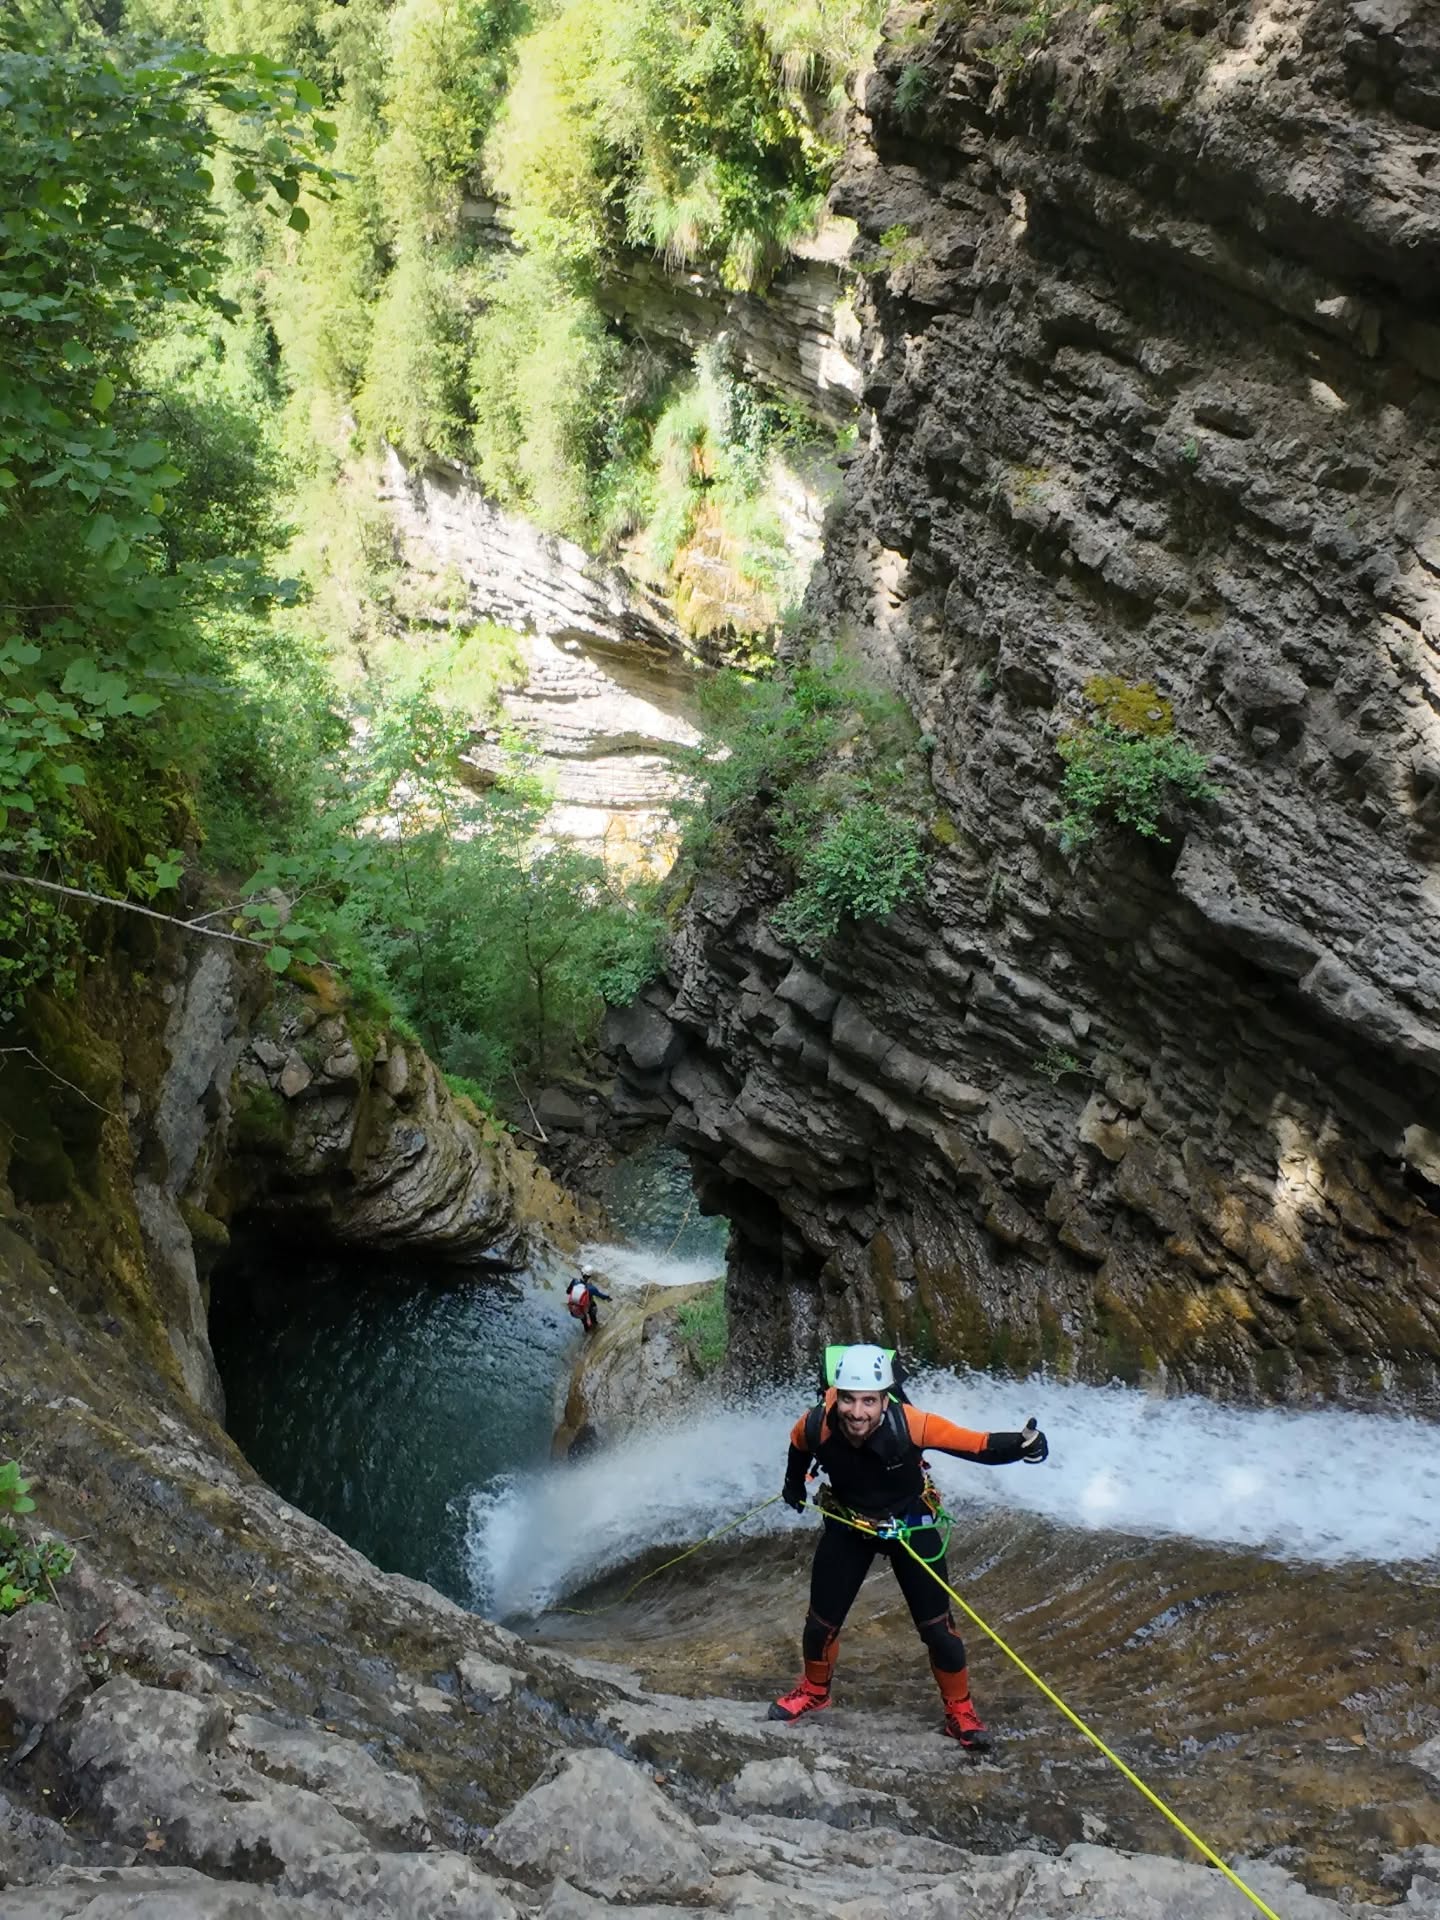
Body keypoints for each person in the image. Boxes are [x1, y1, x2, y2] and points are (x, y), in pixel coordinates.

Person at [771, 1343, 1048, 1749]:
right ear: (836, 1396)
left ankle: (960, 1712)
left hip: (909, 1520)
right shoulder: (816, 1424)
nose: (857, 1412)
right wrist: (793, 1485)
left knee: (938, 1629)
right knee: (820, 1625)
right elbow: (798, 1448)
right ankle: (815, 1691)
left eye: (869, 1401)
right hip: (849, 1522)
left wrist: (1023, 1445)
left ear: (885, 1400)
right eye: (848, 1399)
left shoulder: (912, 1424)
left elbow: (976, 1444)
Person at [565, 1266, 611, 1334]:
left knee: (584, 1321)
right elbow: (602, 1297)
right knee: (593, 1308)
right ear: (590, 1276)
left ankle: (587, 1330)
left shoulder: (574, 1281)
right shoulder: (592, 1288)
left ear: (582, 1273)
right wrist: (608, 1297)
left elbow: (568, 1292)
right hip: (587, 1307)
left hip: (577, 1309)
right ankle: (595, 1328)